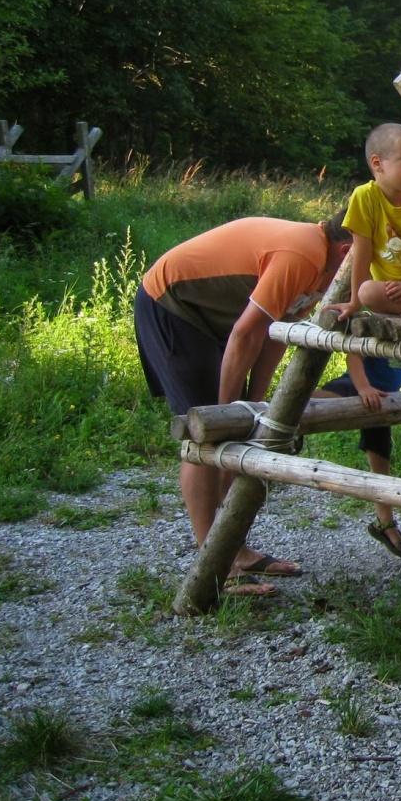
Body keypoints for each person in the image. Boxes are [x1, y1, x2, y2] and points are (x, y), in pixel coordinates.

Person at [133, 214, 352, 597]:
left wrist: (255, 405)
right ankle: (214, 565)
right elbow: (245, 332)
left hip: (215, 321)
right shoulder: (302, 254)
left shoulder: (326, 270)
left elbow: (274, 332)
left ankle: (236, 550)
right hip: (174, 307)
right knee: (206, 439)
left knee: (235, 431)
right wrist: (226, 411)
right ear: (348, 251)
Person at [317, 123, 401, 560]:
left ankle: (386, 522)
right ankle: (272, 426)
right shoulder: (365, 198)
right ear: (378, 164)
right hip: (379, 344)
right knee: (371, 295)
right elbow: (361, 252)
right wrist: (354, 302)